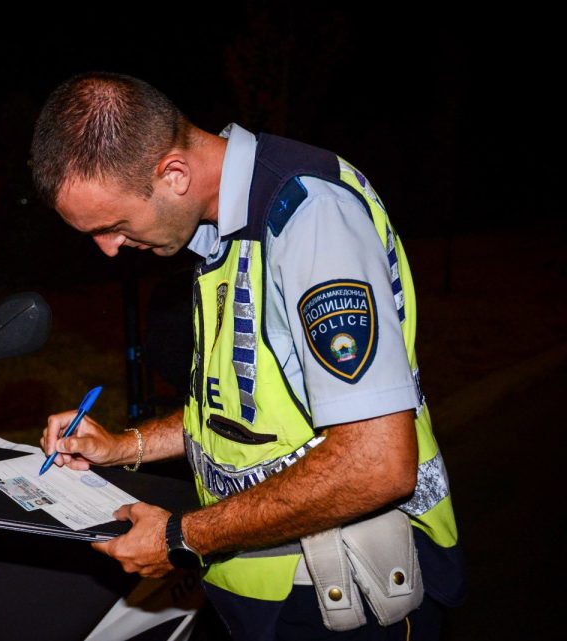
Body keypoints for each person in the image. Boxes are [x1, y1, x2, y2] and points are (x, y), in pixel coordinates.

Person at [31, 72, 464, 640]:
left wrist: (181, 538)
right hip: (269, 590)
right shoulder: (217, 225)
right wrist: (121, 446)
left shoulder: (308, 216)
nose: (109, 249)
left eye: (112, 226)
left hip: (351, 596)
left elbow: (376, 462)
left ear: (174, 174)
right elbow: (247, 417)